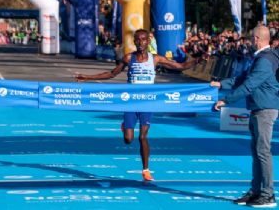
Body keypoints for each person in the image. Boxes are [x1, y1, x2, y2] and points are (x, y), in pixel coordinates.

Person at [75, 29, 204, 181]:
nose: (140, 43)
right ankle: (125, 126)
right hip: (130, 103)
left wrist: (198, 60)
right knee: (128, 139)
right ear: (134, 41)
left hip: (147, 103)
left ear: (148, 42)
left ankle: (146, 170)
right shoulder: (129, 58)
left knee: (143, 137)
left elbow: (180, 66)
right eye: (137, 40)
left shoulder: (155, 59)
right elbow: (112, 73)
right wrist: (87, 77)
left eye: (143, 40)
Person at [211, 25, 279, 208]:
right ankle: (256, 191)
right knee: (258, 152)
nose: (249, 42)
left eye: (251, 39)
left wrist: (226, 101)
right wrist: (220, 84)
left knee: (263, 152)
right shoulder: (261, 58)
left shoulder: (265, 60)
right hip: (258, 108)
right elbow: (241, 79)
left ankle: (268, 194)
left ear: (257, 39)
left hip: (265, 109)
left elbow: (249, 85)